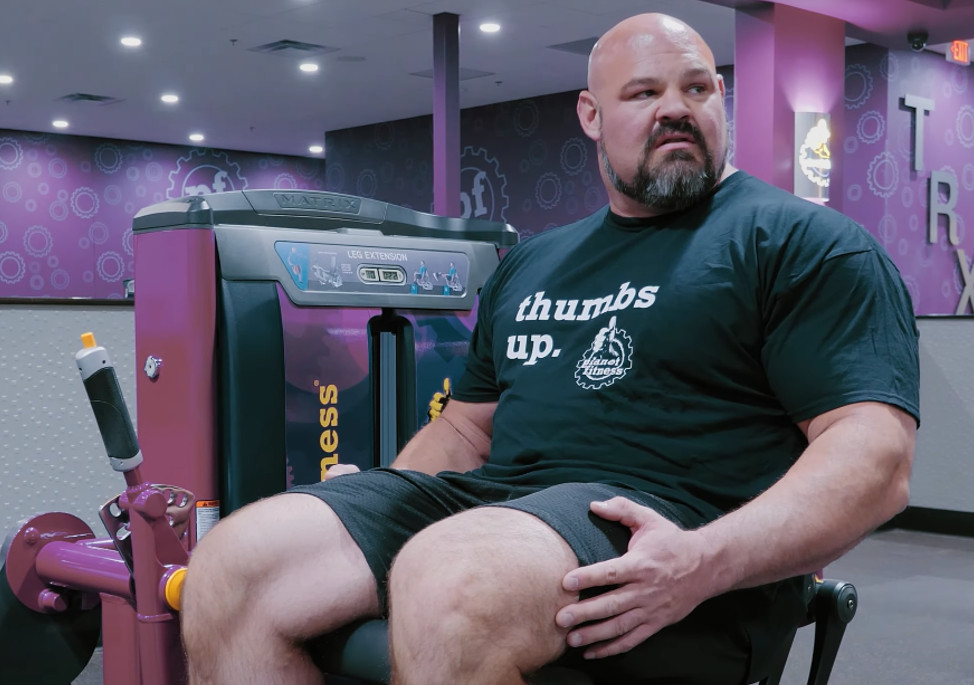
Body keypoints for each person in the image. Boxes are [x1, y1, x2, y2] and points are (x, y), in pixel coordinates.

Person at [181, 12, 919, 685]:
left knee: (451, 583)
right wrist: (380, 496)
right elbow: (465, 430)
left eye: (696, 88)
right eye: (644, 92)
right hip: (502, 509)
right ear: (591, 115)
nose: (674, 108)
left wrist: (704, 559)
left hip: (673, 538)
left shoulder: (801, 243)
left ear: (720, 99)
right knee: (233, 566)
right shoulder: (535, 260)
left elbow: (875, 458)